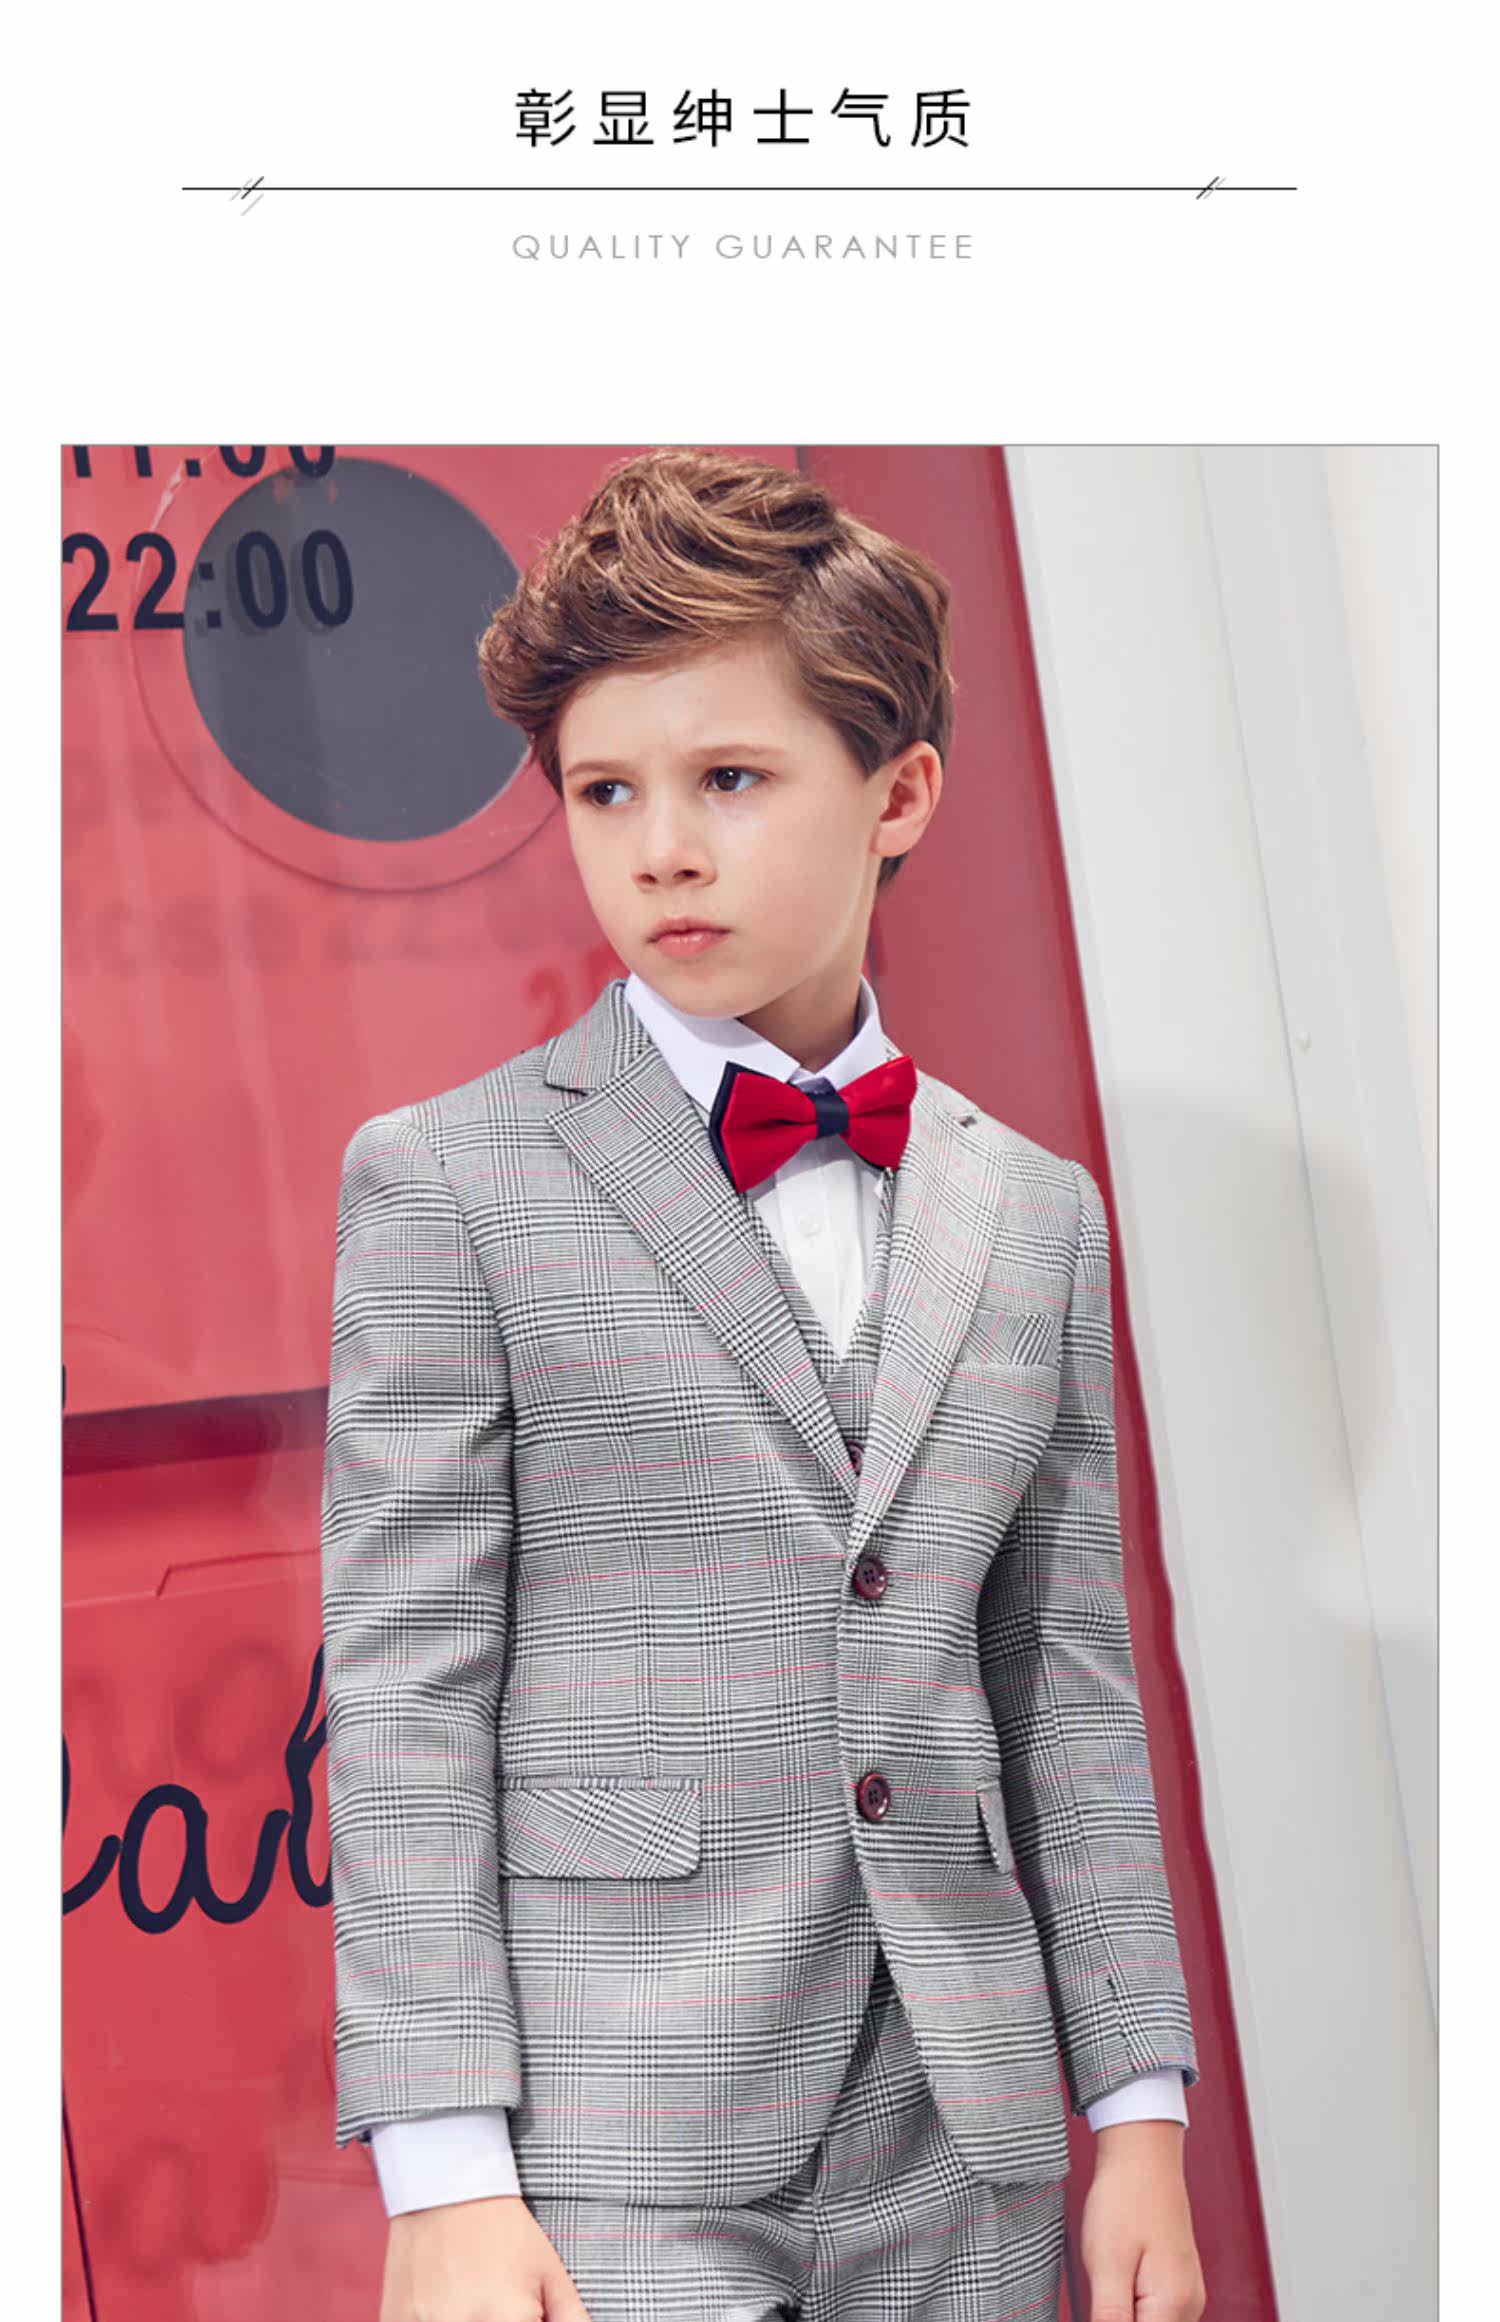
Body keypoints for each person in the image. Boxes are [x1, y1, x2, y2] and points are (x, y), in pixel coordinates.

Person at [319, 448, 1207, 2322]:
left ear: (901, 794)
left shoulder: (1034, 1212)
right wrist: (443, 2172)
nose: (660, 849)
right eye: (605, 791)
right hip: (612, 2132)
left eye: (729, 778)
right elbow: (406, 1694)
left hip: (966, 2131)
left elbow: (1065, 1685)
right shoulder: (450, 1180)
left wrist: (1137, 2112)